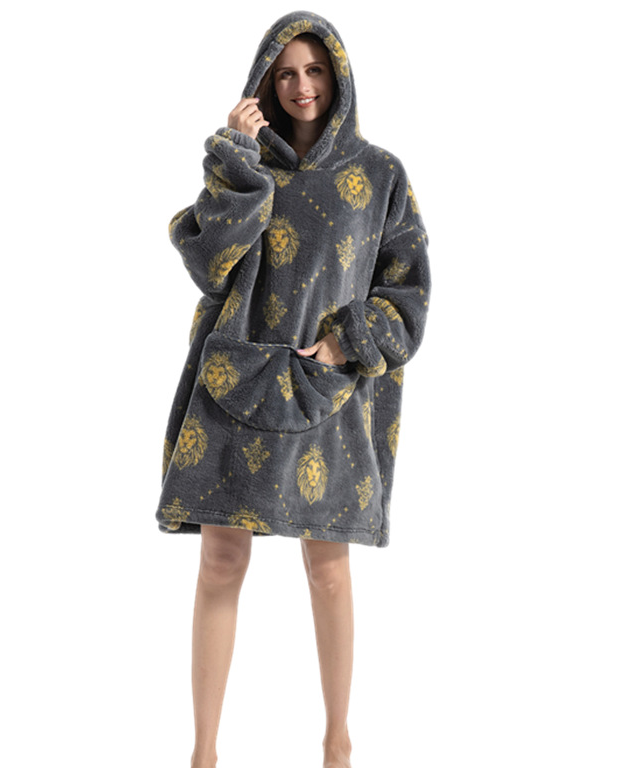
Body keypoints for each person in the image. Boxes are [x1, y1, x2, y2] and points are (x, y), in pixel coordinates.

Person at [156, 11, 431, 768]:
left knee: (328, 569)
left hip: (328, 389)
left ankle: (338, 743)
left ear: (337, 76)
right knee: (220, 562)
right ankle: (203, 753)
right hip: (237, 380)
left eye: (314, 71)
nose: (301, 86)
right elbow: (209, 264)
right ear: (264, 82)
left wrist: (351, 340)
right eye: (285, 73)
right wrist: (236, 158)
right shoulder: (244, 163)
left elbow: (408, 291)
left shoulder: (379, 174)